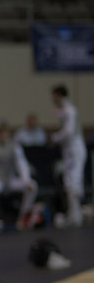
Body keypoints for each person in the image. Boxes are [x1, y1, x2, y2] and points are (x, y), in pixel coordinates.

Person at [49, 84, 88, 226]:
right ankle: (74, 215)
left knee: (73, 182)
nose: (52, 98)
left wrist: (54, 138)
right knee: (69, 181)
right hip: (69, 151)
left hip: (74, 150)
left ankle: (76, 216)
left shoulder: (70, 110)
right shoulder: (64, 110)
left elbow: (69, 131)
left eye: (54, 95)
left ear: (59, 95)